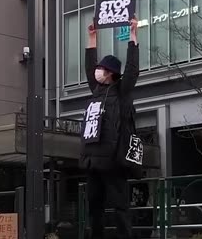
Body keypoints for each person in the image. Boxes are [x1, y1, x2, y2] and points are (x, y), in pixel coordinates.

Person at [80, 18, 139, 239]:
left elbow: (132, 70)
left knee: (120, 208)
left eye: (102, 69)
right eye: (98, 68)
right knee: (94, 207)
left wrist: (133, 36)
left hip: (114, 161)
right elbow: (88, 66)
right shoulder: (96, 91)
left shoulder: (121, 93)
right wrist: (92, 37)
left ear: (112, 73)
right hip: (93, 161)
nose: (97, 72)